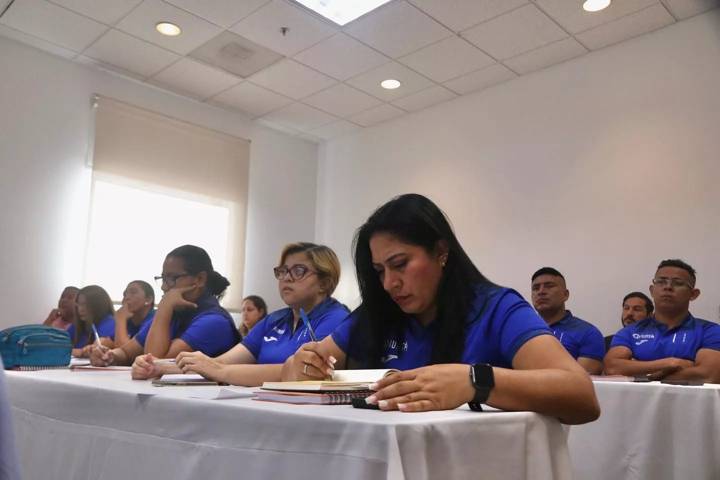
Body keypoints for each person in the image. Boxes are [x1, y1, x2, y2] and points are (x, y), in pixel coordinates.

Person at [282, 194, 599, 424]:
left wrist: (475, 382)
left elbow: (582, 396)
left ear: (441, 252)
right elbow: (306, 367)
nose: (390, 283)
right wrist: (299, 367)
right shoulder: (377, 313)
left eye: (400, 264)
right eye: (379, 271)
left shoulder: (496, 308)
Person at [134, 243, 349, 386]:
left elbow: (299, 373)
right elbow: (219, 363)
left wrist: (218, 370)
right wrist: (158, 367)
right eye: (282, 271)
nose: (286, 278)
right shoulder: (274, 320)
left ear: (325, 283)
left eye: (298, 271)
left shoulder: (336, 318)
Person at [89, 245, 239, 367]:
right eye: (163, 278)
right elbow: (127, 352)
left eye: (172, 278)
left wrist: (164, 308)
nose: (164, 287)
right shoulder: (176, 313)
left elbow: (154, 361)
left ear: (199, 279)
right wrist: (109, 355)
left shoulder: (214, 321)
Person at [605, 259, 720, 382]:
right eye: (661, 281)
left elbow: (708, 375)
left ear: (693, 294)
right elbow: (612, 368)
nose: (668, 287)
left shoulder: (710, 331)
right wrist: (671, 363)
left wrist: (642, 373)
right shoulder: (630, 331)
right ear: (652, 290)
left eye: (678, 283)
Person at [530, 267, 605, 375]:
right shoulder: (520, 331)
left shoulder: (588, 333)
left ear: (565, 295)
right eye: (536, 288)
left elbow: (580, 382)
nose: (541, 292)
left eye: (549, 286)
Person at [67, 285, 115, 357]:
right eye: (78, 305)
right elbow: (58, 347)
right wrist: (80, 352)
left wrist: (79, 352)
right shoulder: (78, 325)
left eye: (84, 304)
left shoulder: (110, 323)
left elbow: (97, 350)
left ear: (98, 305)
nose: (80, 309)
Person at [113, 280, 156, 347]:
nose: (126, 297)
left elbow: (124, 349)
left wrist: (121, 319)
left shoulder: (155, 319)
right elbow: (111, 341)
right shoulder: (129, 321)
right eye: (124, 295)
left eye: (133, 292)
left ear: (148, 299)